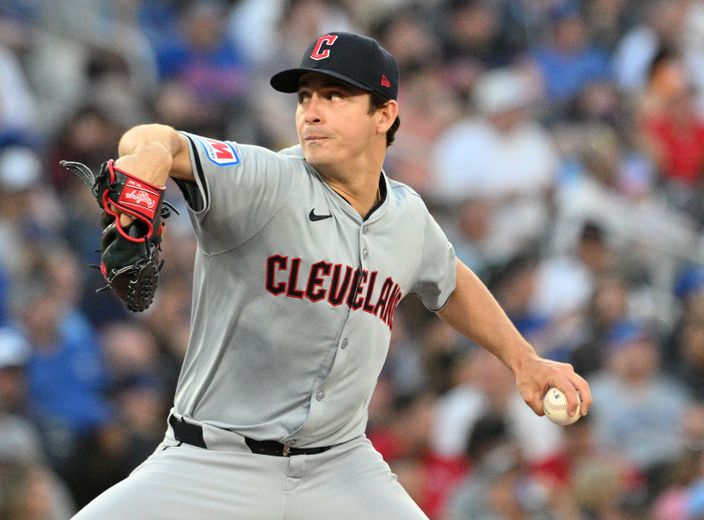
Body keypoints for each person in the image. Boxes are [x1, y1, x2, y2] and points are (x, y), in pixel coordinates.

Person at [72, 32, 592, 519]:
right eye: (304, 97)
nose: (311, 112)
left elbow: (449, 281)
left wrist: (523, 360)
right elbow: (155, 138)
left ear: (384, 114)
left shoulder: (407, 217)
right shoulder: (266, 179)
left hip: (339, 466)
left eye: (334, 96)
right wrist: (146, 167)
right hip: (211, 461)